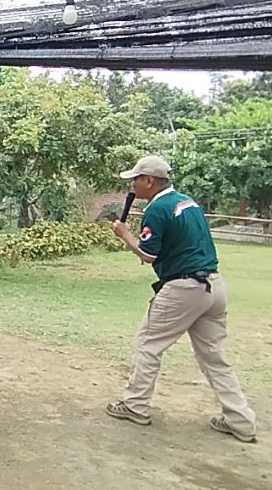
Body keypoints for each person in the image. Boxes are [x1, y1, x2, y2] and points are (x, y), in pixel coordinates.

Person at [107, 155, 257, 443]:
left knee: (148, 344)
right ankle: (241, 420)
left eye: (135, 179)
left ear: (149, 180)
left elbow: (148, 254)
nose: (132, 185)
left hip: (183, 288)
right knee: (214, 357)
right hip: (213, 285)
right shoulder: (188, 202)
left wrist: (125, 234)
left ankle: (135, 405)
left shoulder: (156, 208)